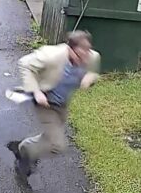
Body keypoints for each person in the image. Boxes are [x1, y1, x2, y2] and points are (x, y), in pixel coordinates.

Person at [7, 30, 101, 178]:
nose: (84, 58)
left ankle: (29, 146)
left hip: (62, 104)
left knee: (50, 135)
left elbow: (93, 72)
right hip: (46, 101)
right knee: (57, 145)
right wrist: (36, 92)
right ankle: (23, 150)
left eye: (87, 52)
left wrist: (90, 77)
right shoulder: (51, 55)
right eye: (80, 54)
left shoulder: (93, 57)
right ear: (70, 49)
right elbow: (24, 64)